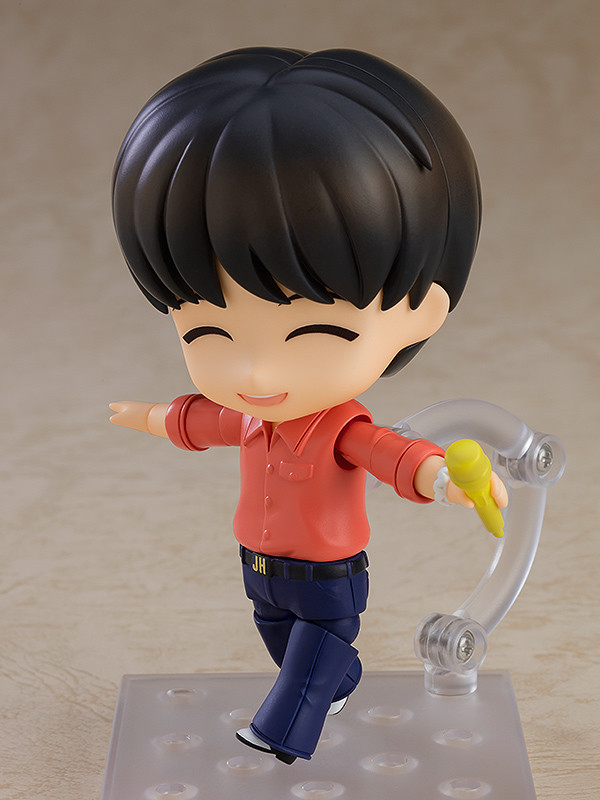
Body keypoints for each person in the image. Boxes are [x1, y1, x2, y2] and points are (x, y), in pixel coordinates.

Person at [109, 47, 507, 763]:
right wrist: (146, 416)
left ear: (421, 309)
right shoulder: (252, 417)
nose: (259, 370)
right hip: (260, 567)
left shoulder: (341, 425)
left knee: (311, 655)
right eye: (207, 333)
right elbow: (200, 421)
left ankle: (281, 733)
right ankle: (337, 682)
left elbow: (392, 454)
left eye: (314, 334)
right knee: (281, 638)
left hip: (328, 574)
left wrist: (445, 476)